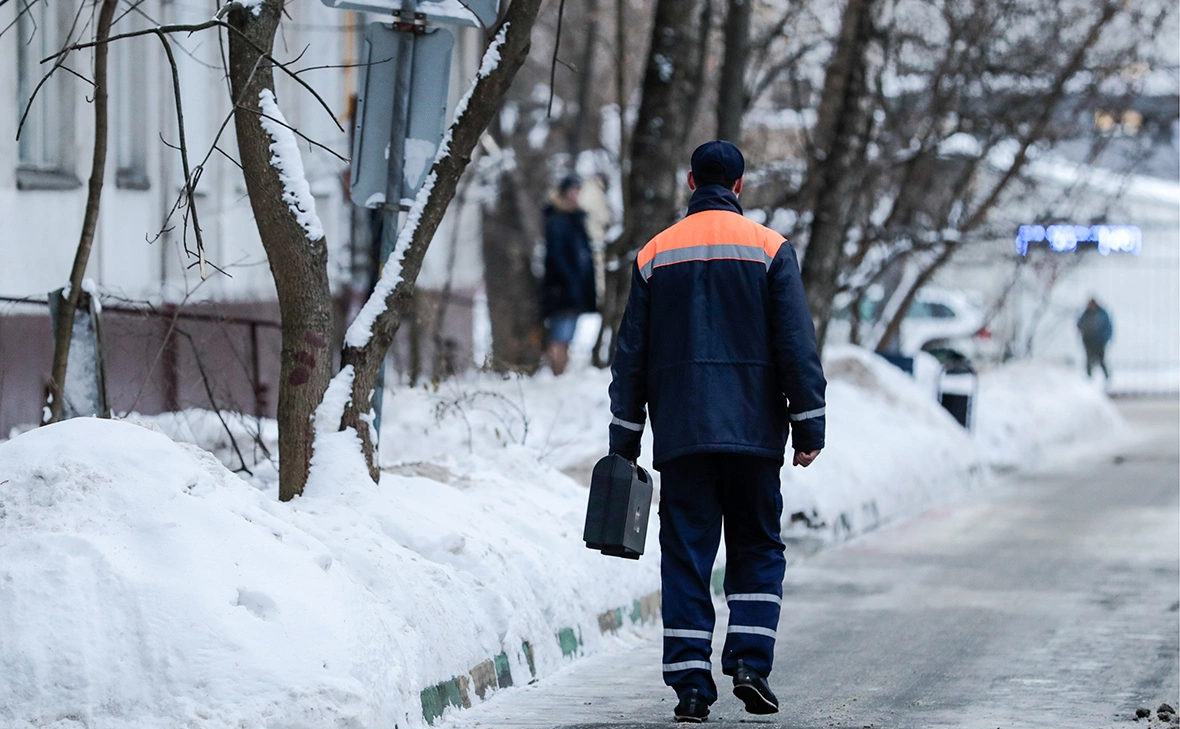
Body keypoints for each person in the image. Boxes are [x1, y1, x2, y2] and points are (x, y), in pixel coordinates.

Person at [607, 141, 826, 723]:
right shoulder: (770, 249)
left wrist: (624, 441)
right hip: (754, 435)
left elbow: (630, 357)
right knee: (756, 546)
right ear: (740, 186)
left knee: (686, 555)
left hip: (682, 436)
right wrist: (808, 423)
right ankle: (751, 663)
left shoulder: (654, 255)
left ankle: (690, 685)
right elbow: (796, 346)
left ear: (689, 182)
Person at [542, 174, 597, 375]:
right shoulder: (557, 220)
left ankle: (561, 372)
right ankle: (557, 373)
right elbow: (556, 255)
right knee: (560, 332)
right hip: (561, 286)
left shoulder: (576, 219)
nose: (575, 194)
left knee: (569, 332)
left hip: (575, 285)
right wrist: (570, 279)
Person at [1077, 298, 1113, 379]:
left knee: (1101, 360)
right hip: (1088, 340)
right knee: (1089, 360)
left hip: (1099, 341)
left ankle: (1107, 377)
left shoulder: (1102, 313)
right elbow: (1080, 324)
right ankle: (1089, 377)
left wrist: (1106, 338)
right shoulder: (1086, 314)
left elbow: (1108, 327)